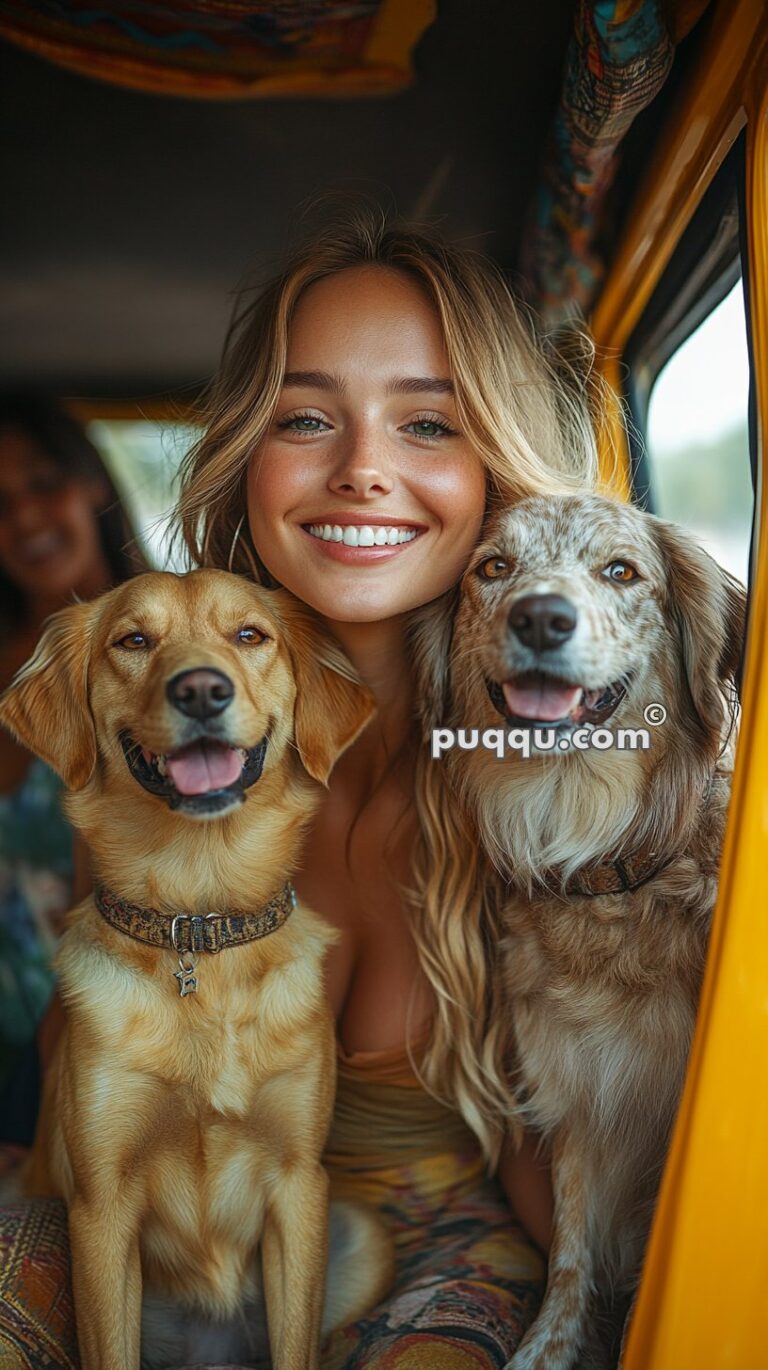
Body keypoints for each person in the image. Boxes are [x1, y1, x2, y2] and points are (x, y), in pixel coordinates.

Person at [172, 207, 601, 1367]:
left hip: (447, 1254)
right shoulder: (165, 746)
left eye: (428, 423)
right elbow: (79, 1082)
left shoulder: (575, 795)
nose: (362, 467)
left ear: (497, 464)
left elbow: (568, 1179)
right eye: (306, 418)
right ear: (246, 464)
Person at [0, 394, 143, 1146]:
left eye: (43, 482)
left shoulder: (185, 647)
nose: (24, 519)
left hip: (105, 1028)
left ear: (92, 482)